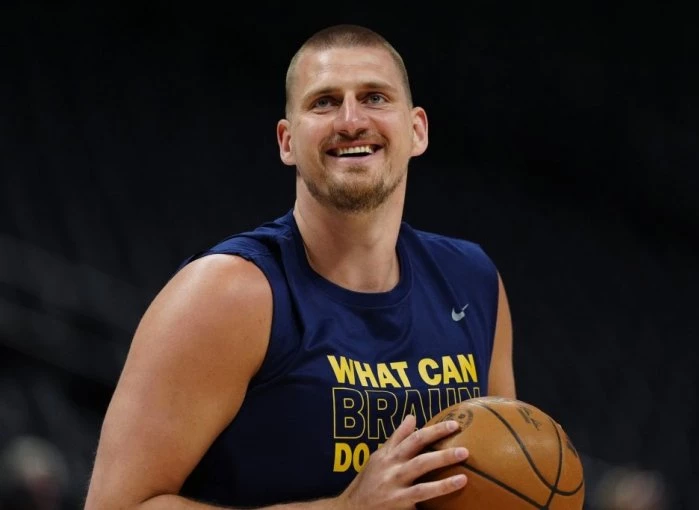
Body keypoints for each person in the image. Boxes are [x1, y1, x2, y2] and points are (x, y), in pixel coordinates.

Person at [84, 23, 515, 510]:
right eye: (324, 102)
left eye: (374, 98)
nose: (351, 121)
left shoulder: (472, 282)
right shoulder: (225, 293)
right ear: (287, 141)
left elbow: (505, 475)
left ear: (417, 130)